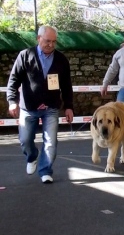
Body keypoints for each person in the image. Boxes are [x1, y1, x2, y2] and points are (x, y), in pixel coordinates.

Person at [6, 25, 74, 184]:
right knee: (25, 140)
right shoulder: (25, 56)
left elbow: (67, 86)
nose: (50, 44)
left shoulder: (61, 60)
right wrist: (12, 102)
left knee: (51, 142)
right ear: (38, 39)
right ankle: (32, 157)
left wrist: (69, 106)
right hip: (28, 108)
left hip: (51, 108)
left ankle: (45, 170)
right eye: (47, 41)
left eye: (54, 42)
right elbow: (13, 81)